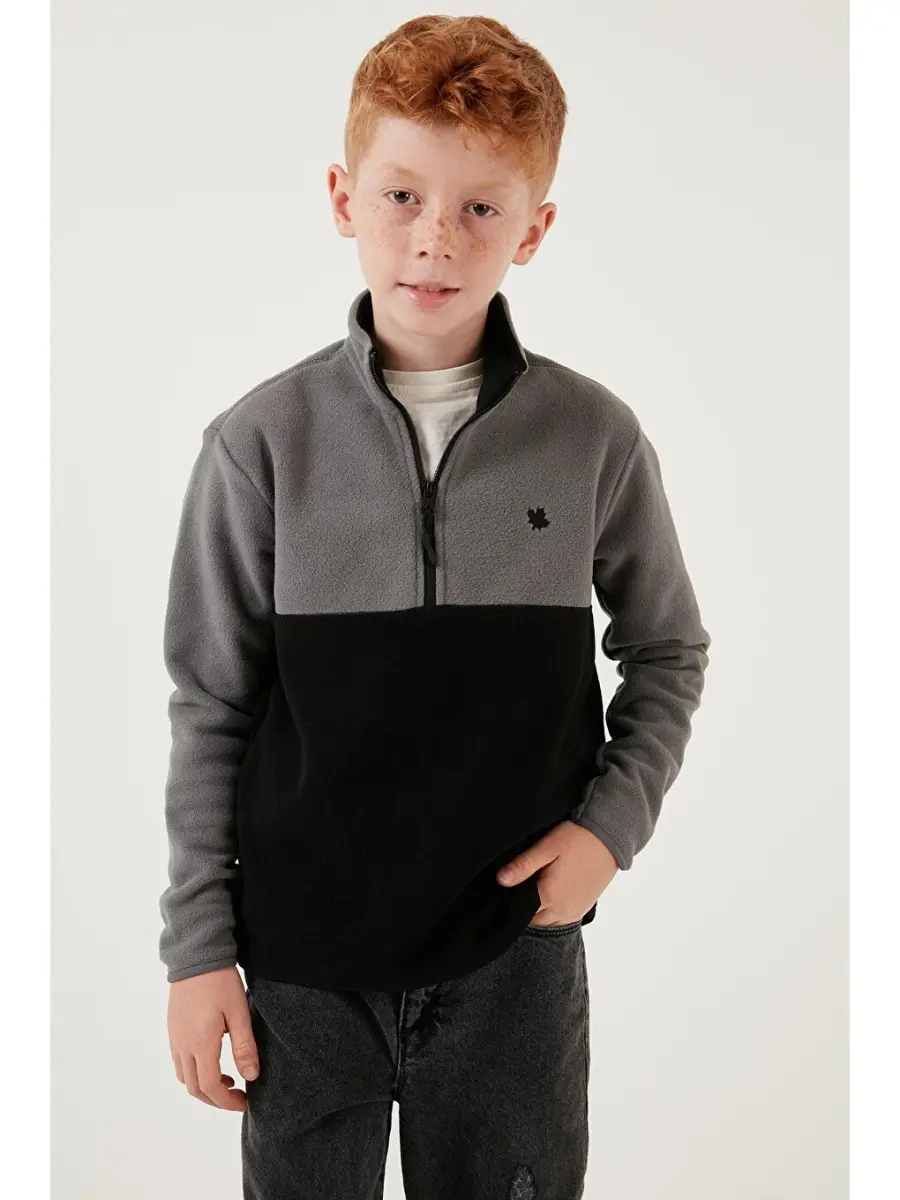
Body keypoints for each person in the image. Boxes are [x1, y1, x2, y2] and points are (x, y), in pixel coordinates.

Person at [159, 14, 711, 1199]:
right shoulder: (260, 444)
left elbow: (667, 650)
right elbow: (210, 704)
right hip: (304, 970)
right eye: (402, 194)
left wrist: (609, 833)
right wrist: (198, 951)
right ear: (343, 198)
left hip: (515, 962)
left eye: (480, 207)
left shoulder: (593, 437)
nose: (435, 237)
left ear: (534, 228)